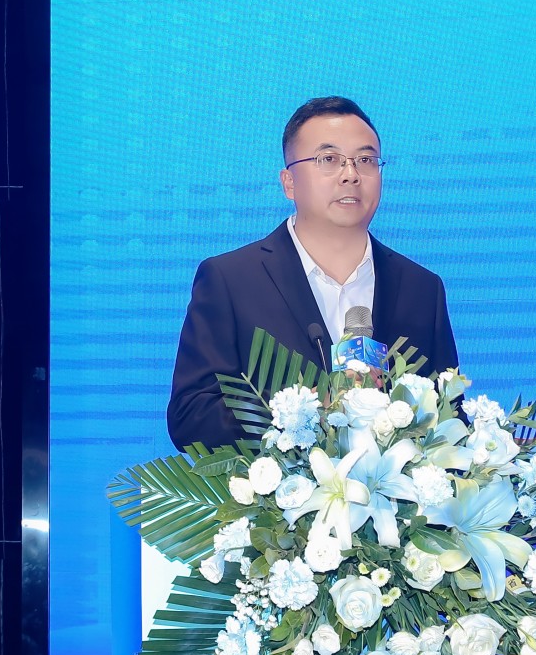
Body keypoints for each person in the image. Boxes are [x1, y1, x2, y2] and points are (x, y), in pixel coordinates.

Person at [166, 96, 460, 452]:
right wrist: (308, 408)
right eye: (329, 159)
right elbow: (190, 416)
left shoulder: (421, 289)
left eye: (366, 160)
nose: (351, 174)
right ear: (289, 182)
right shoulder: (231, 280)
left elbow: (449, 416)